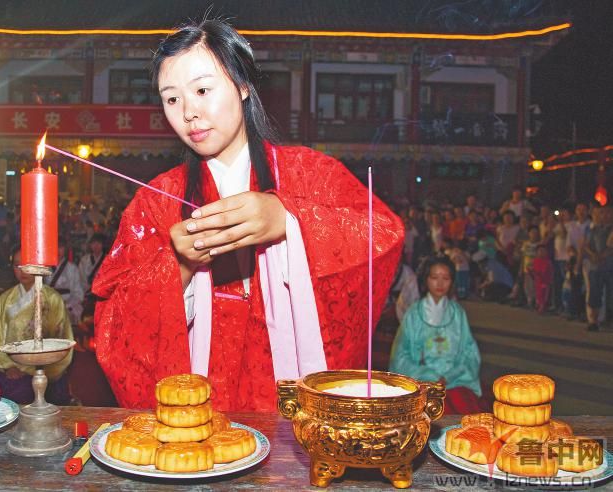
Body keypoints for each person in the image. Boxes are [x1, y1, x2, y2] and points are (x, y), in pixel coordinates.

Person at [92, 19, 403, 411]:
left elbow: (383, 234)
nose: (189, 112)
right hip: (203, 406)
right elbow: (111, 324)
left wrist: (290, 222)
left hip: (289, 400)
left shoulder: (310, 174)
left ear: (242, 85)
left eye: (203, 89)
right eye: (171, 99)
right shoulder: (157, 201)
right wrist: (178, 265)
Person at [389, 255, 482, 415]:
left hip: (454, 380)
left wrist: (449, 376)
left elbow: (470, 353)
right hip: (422, 380)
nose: (440, 283)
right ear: (426, 280)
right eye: (434, 277)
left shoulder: (457, 313)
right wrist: (427, 375)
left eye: (445, 278)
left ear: (452, 281)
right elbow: (401, 356)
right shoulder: (414, 314)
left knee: (464, 417)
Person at [0, 247, 73, 405]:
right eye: (17, 266)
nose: (22, 271)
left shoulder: (52, 299)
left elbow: (62, 339)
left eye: (26, 265)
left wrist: (41, 371)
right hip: (9, 367)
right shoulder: (6, 299)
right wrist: (8, 366)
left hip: (43, 370)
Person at [46, 240, 85, 325]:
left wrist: (66, 305)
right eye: (55, 247)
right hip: (49, 307)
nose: (57, 250)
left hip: (68, 306)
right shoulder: (45, 268)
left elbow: (79, 294)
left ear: (65, 249)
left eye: (60, 247)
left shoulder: (72, 268)